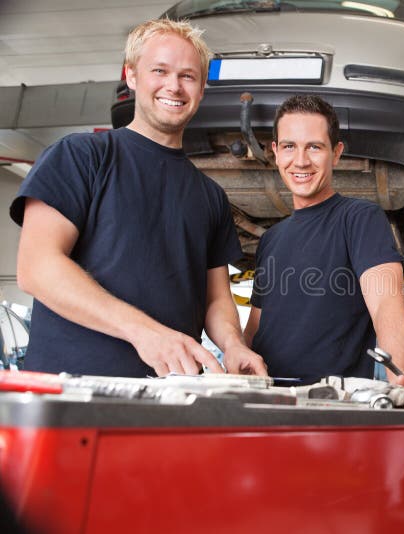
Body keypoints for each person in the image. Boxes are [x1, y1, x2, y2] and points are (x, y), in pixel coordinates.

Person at [10, 19, 267, 378]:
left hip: (173, 396)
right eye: (159, 71)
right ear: (131, 76)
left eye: (188, 76)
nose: (174, 86)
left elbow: (215, 299)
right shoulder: (80, 156)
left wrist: (233, 344)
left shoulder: (210, 196)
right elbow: (37, 267)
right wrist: (145, 333)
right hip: (73, 393)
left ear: (201, 90)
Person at [243, 95, 404, 407]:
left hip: (329, 408)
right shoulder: (271, 239)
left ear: (336, 153)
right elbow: (256, 327)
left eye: (314, 147)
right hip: (266, 404)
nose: (300, 161)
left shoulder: (360, 219)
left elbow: (386, 304)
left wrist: (403, 373)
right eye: (289, 146)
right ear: (276, 152)